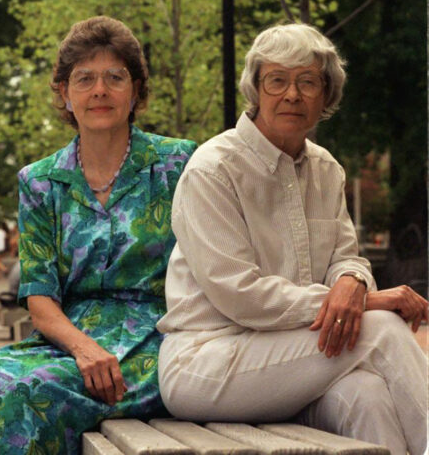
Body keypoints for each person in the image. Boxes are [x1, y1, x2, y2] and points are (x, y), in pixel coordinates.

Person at [156, 23, 428, 455]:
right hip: (208, 362)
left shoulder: (326, 169)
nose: (292, 94)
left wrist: (354, 283)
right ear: (256, 90)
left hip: (296, 358)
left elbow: (347, 259)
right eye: (277, 80)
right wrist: (365, 301)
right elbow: (239, 295)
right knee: (382, 330)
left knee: (367, 396)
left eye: (307, 82)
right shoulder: (213, 170)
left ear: (327, 95)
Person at [0, 16, 196, 453]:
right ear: (64, 92)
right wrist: (83, 348)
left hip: (156, 339)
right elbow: (40, 298)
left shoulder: (179, 164)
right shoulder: (39, 181)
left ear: (135, 89)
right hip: (67, 339)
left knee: (31, 396)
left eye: (115, 77)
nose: (100, 90)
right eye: (84, 79)